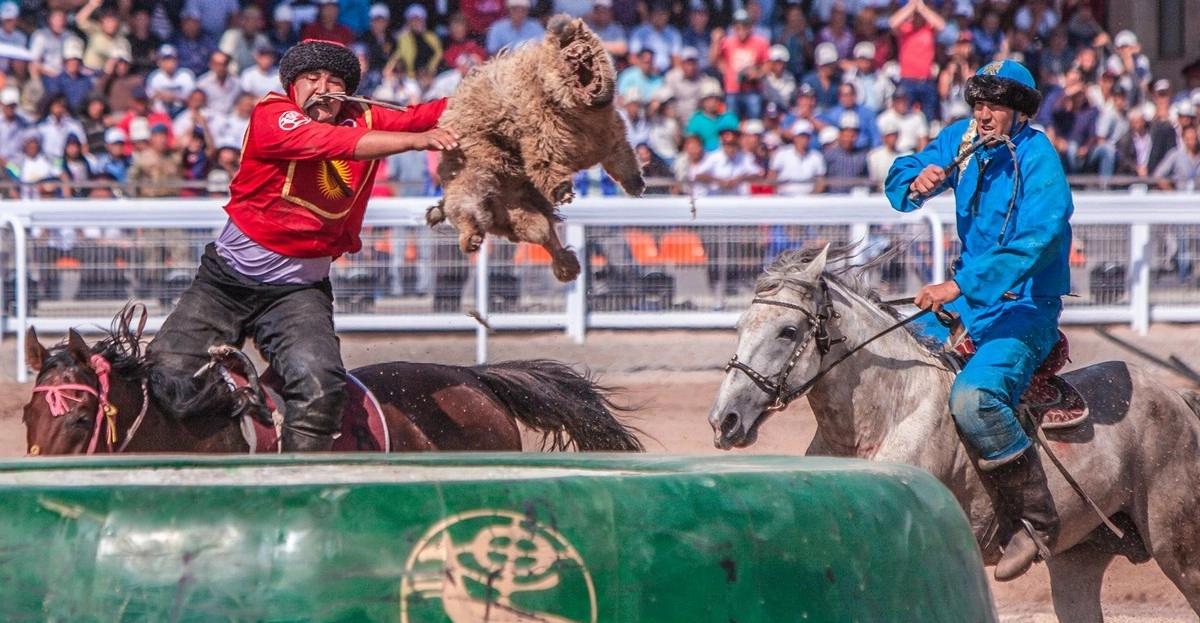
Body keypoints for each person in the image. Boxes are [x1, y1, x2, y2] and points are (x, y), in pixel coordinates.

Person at [145, 39, 459, 452]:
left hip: (298, 293)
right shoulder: (271, 114)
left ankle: (295, 487)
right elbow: (328, 143)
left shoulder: (363, 117)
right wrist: (417, 140)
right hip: (225, 283)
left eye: (335, 81)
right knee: (162, 371)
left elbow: (429, 113)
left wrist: (500, 88)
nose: (324, 88)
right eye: (312, 78)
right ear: (292, 86)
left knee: (321, 387)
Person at [885, 60, 1072, 583]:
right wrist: (915, 181)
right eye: (978, 105)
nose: (984, 115)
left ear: (1019, 111)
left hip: (1026, 307)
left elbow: (1037, 239)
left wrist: (960, 286)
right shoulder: (960, 139)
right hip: (969, 304)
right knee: (887, 361)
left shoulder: (1040, 160)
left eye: (994, 106)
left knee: (974, 397)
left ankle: (1036, 521)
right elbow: (901, 179)